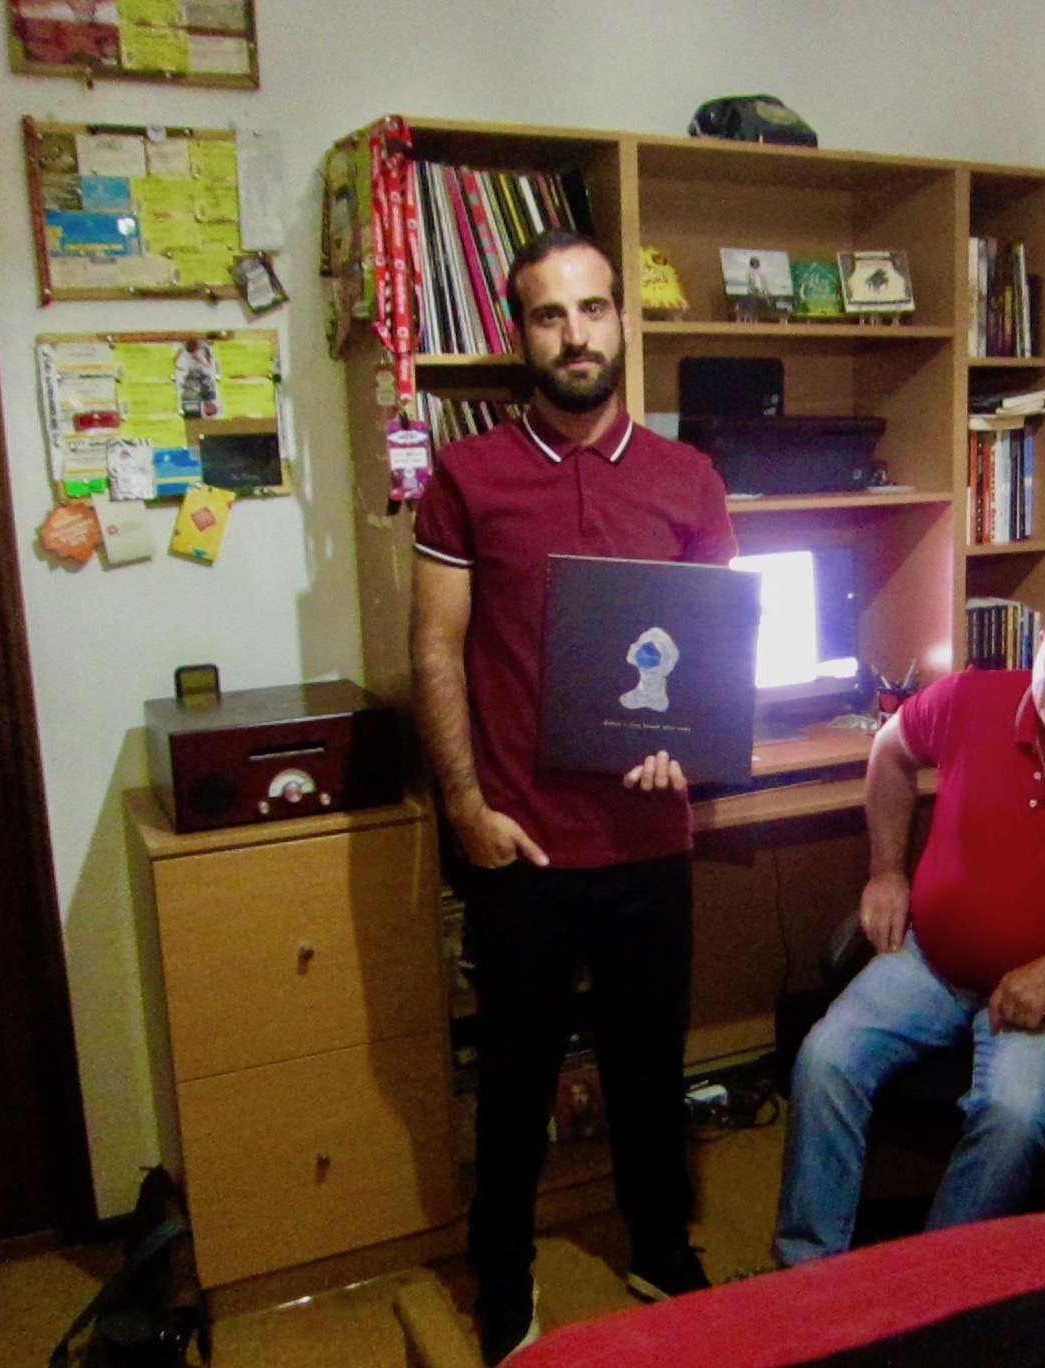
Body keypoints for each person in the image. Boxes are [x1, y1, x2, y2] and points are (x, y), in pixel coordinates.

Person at [409, 229, 737, 1362]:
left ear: (622, 323)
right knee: (513, 1083)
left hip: (649, 838)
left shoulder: (688, 478)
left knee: (652, 1068)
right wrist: (465, 808)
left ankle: (659, 1245)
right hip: (521, 843)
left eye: (594, 309)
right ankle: (503, 1276)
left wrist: (685, 749)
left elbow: (707, 652)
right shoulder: (468, 477)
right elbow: (436, 650)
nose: (576, 334)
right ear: (522, 334)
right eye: (551, 315)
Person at [774, 586, 1045, 1266]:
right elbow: (890, 751)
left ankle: (941, 1286)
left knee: (1013, 1118)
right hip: (932, 961)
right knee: (825, 1060)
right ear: (1038, 647)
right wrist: (886, 871)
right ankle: (805, 1268)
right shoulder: (970, 700)